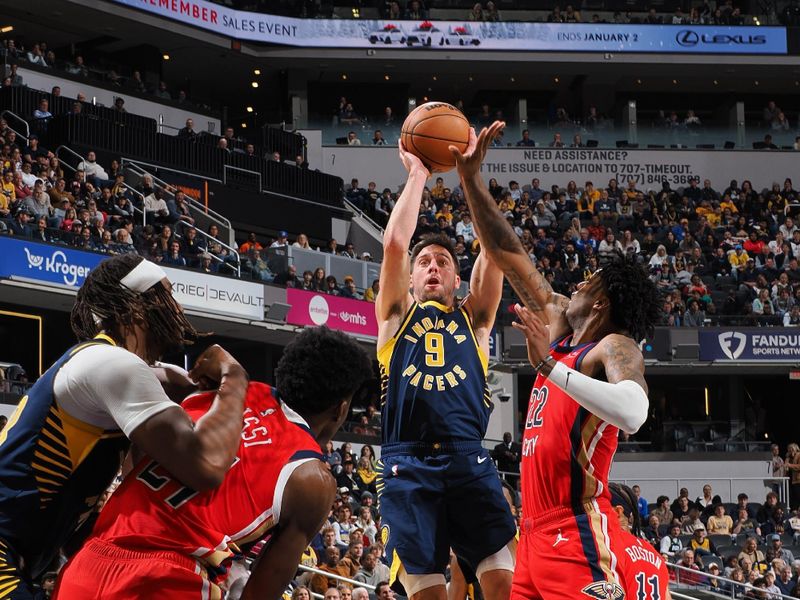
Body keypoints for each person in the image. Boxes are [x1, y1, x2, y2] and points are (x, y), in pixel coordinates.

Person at [451, 121, 661, 600]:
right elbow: (508, 251)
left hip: (580, 528)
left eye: (590, 280)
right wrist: (469, 180)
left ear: (602, 303)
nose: (580, 282)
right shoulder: (560, 323)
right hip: (534, 532)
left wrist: (549, 368)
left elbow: (633, 413)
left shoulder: (614, 346)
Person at [56, 326, 373, 600]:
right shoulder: (312, 477)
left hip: (89, 564)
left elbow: (139, 445)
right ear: (341, 409)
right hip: (165, 580)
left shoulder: (222, 392)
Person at [0, 255, 249, 599]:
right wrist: (235, 377)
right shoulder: (113, 364)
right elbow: (205, 466)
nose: (177, 307)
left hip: (22, 557)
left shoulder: (103, 364)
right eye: (167, 295)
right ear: (133, 306)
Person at [375, 141, 516, 599]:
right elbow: (395, 243)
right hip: (407, 462)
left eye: (443, 262)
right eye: (424, 263)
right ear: (411, 280)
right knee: (430, 591)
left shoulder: (474, 323)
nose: (433, 267)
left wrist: (469, 178)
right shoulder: (395, 317)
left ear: (457, 280)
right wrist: (417, 174)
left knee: (503, 579)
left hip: (467, 457)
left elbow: (495, 248)